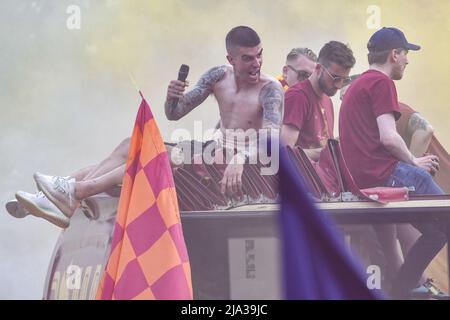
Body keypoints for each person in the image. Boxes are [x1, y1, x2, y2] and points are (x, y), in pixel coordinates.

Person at [8, 26, 283, 228]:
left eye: (259, 55)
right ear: (230, 59)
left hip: (243, 166)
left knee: (153, 155)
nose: (256, 63)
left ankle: (72, 193)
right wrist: (172, 96)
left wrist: (240, 157)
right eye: (248, 58)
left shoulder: (270, 90)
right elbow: (174, 114)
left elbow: (271, 139)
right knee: (131, 144)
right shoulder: (217, 76)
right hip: (211, 153)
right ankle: (58, 194)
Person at [339, 27, 447, 299]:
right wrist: (414, 162)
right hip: (387, 174)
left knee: (437, 233)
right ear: (394, 55)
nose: (408, 61)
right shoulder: (381, 82)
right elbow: (389, 138)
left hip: (368, 178)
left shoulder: (359, 85)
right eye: (406, 54)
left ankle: (403, 290)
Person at [281, 41, 355, 161]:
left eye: (344, 79)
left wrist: (338, 144)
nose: (339, 85)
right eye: (335, 78)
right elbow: (283, 153)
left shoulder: (327, 100)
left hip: (323, 177)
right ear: (319, 68)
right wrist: (329, 152)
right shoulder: (297, 96)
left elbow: (320, 142)